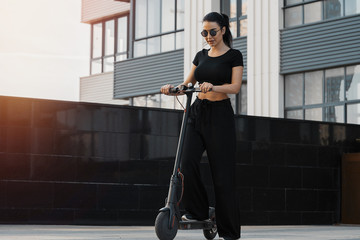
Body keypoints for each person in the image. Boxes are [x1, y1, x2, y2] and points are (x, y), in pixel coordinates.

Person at [160, 12, 243, 240]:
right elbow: (187, 83)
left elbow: (235, 87)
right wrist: (173, 88)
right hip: (197, 112)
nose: (208, 36)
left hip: (220, 117)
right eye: (204, 32)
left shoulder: (234, 56)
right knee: (185, 163)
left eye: (212, 31)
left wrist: (214, 86)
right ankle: (199, 211)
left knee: (223, 175)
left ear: (223, 30)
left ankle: (228, 232)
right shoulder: (201, 55)